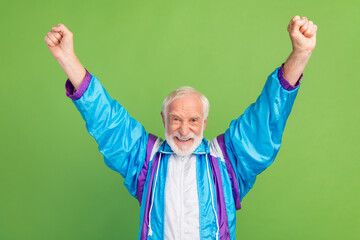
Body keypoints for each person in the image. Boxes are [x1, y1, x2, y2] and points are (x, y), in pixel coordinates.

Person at [45, 15, 317, 240]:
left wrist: (301, 53)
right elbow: (107, 121)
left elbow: (266, 118)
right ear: (164, 120)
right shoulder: (144, 160)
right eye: (176, 119)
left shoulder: (229, 161)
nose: (184, 130)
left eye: (193, 120)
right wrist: (67, 58)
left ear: (204, 123)